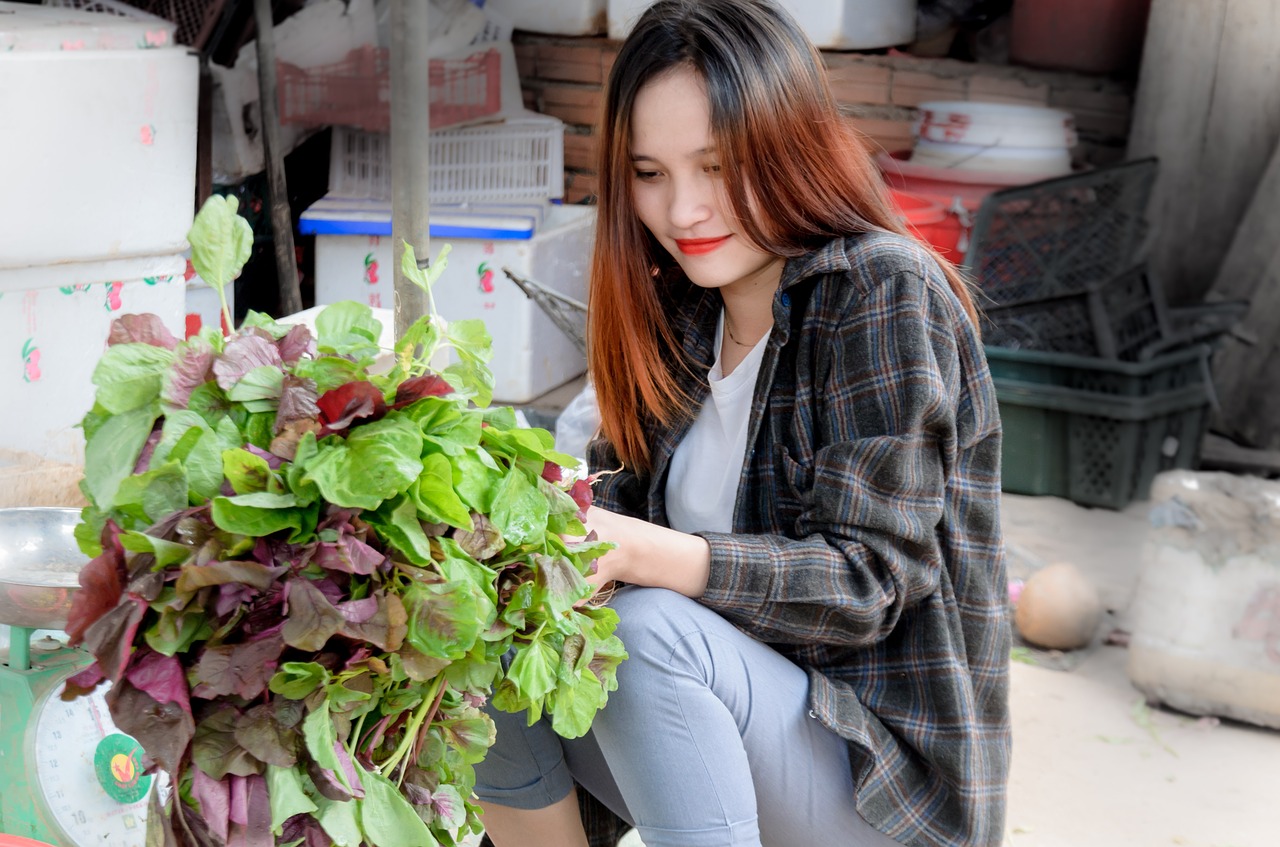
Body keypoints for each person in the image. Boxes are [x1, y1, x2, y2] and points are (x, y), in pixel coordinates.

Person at [472, 1, 1010, 845]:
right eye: (650, 174)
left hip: (875, 785)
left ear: (786, 141)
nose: (684, 211)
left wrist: (638, 550)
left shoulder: (881, 292)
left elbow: (869, 581)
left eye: (716, 166)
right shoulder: (680, 315)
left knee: (644, 633)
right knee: (485, 634)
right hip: (714, 749)